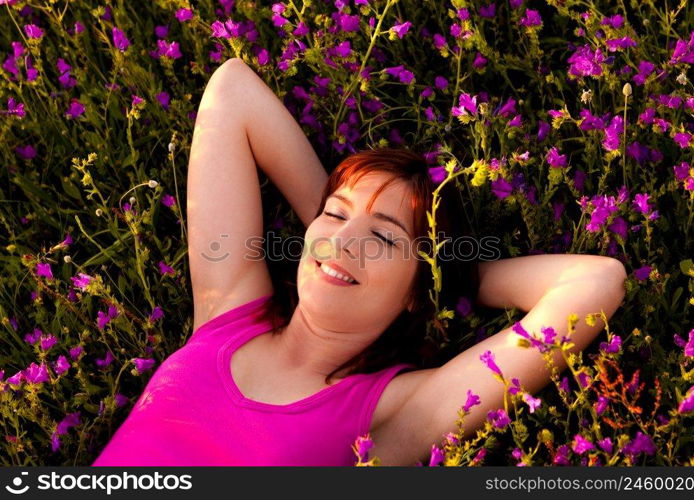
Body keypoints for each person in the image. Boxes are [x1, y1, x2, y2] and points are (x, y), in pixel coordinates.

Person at [91, 58, 627, 466]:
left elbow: (597, 280)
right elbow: (230, 89)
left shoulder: (394, 414)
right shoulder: (227, 311)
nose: (346, 240)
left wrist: (447, 271)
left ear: (416, 289)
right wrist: (337, 235)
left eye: (385, 239)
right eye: (335, 214)